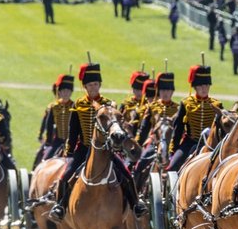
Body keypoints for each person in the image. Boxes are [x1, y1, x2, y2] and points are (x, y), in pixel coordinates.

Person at [48, 63, 146, 220]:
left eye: (96, 84)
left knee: (126, 174)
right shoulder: (78, 105)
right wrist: (70, 150)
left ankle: (136, 204)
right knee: (65, 176)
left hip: (105, 150)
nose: (93, 88)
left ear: (100, 85)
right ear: (85, 86)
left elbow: (117, 127)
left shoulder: (108, 104)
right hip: (83, 149)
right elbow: (74, 131)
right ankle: (60, 205)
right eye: (90, 85)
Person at [168, 65, 222, 171]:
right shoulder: (186, 103)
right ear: (195, 87)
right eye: (201, 85)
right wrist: (173, 150)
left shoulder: (217, 104)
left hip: (211, 144)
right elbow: (178, 128)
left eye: (206, 85)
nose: (204, 88)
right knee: (172, 167)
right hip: (190, 142)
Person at [135, 71, 178, 173]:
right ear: (158, 91)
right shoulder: (152, 106)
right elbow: (144, 128)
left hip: (172, 144)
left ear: (172, 92)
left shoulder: (177, 108)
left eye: (168, 90)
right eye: (163, 90)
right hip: (155, 143)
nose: (165, 93)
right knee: (140, 163)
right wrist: (137, 145)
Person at [33, 74, 74, 169]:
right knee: (45, 158)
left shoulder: (75, 106)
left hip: (71, 142)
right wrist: (48, 141)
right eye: (63, 91)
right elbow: (48, 124)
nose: (66, 93)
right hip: (57, 141)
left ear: (71, 92)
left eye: (68, 91)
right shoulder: (54, 107)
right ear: (59, 92)